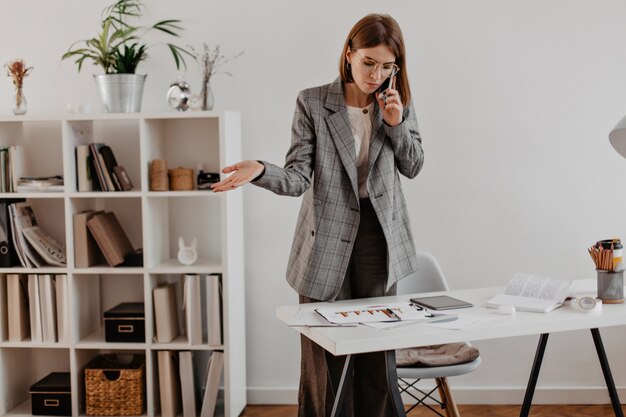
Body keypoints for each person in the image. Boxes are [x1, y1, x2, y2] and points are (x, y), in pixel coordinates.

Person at [212, 13, 423, 417]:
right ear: (349, 53)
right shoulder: (312, 102)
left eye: (386, 66)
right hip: (324, 242)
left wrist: (396, 124)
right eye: (368, 62)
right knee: (325, 360)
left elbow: (413, 167)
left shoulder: (398, 104)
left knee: (376, 358)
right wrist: (260, 169)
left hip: (379, 243)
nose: (376, 74)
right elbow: (297, 178)